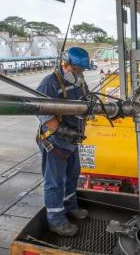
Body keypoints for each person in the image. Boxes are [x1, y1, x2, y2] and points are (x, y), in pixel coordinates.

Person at [35, 47, 90, 236]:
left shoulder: (79, 81)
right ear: (65, 64)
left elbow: (85, 100)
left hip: (72, 140)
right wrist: (65, 131)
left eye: (82, 71)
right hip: (56, 142)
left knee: (73, 175)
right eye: (76, 70)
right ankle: (56, 220)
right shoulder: (49, 84)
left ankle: (70, 206)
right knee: (54, 181)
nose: (79, 74)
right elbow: (42, 113)